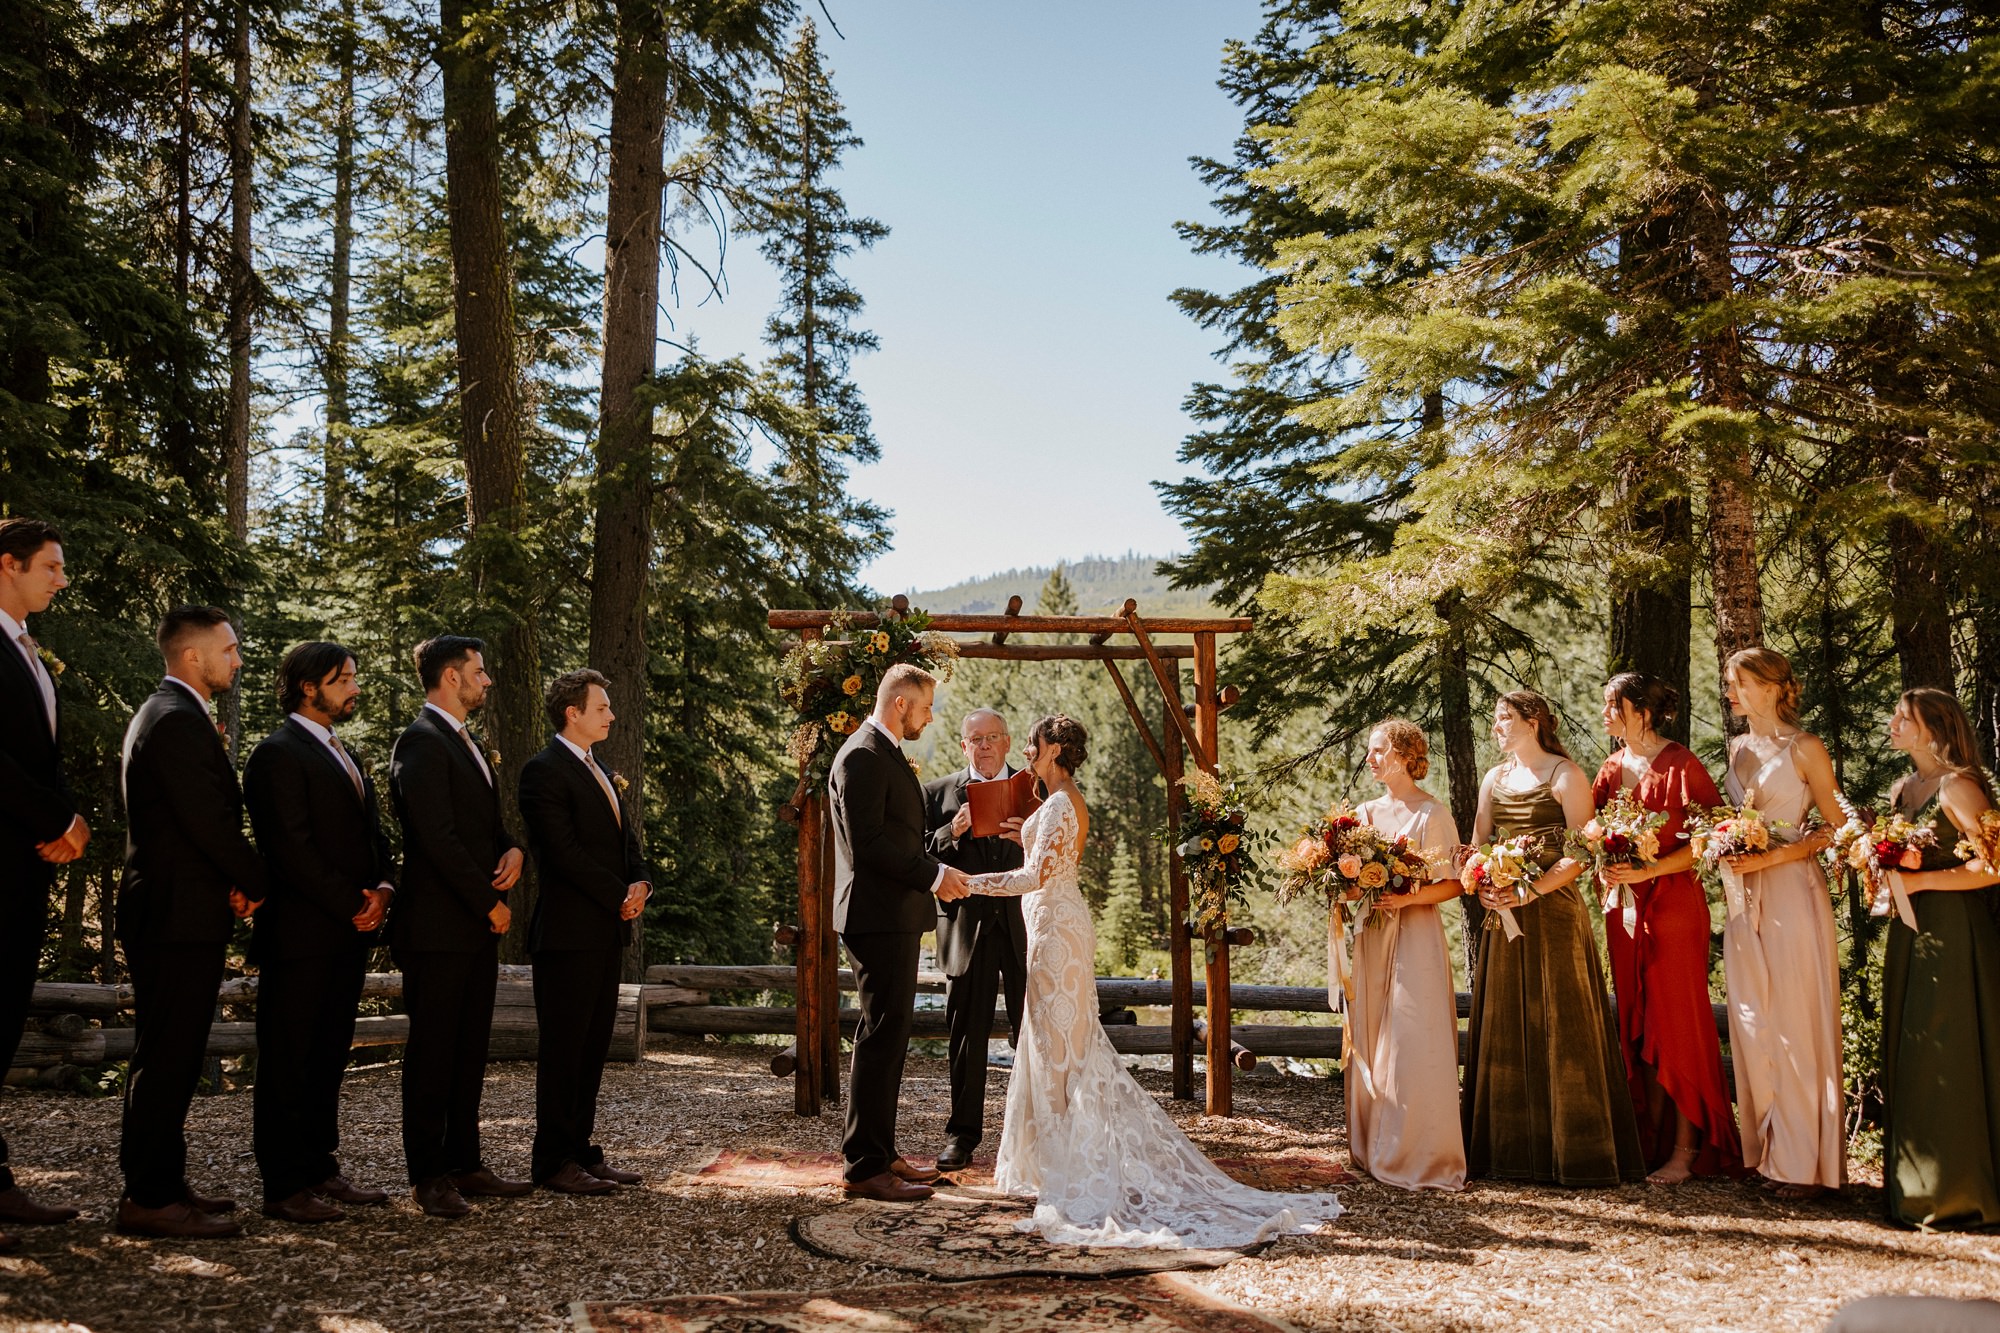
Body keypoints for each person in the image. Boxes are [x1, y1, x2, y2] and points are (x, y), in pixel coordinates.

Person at [965, 715, 1344, 1246]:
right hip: (1051, 925)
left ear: (1053, 750)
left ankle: (1068, 1164)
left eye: (1033, 742)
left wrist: (968, 883)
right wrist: (1021, 834)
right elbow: (1045, 857)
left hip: (1056, 931)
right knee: (1054, 1042)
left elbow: (1035, 877)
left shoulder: (1057, 803)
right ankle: (1053, 1159)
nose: (1027, 749)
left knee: (1062, 1046)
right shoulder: (1056, 802)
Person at [115, 606, 269, 1238]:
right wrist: (259, 881)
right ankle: (148, 1198)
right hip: (172, 912)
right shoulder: (175, 720)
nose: (237, 660)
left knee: (174, 1052)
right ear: (191, 656)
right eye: (228, 650)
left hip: (184, 905)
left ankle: (166, 1182)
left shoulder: (176, 714)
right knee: (167, 1054)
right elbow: (207, 822)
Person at [1461, 690, 1644, 1187]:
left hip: (1555, 916)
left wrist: (1530, 891)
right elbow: (1478, 846)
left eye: (1506, 718)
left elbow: (1584, 853)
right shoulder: (1493, 779)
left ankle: (1576, 1151)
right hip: (1504, 918)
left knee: (1563, 1023)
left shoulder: (1566, 775)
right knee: (1505, 1020)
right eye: (1496, 718)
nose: (1498, 726)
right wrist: (1484, 886)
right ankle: (1508, 1152)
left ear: (1534, 720)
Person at [243, 642, 396, 1223]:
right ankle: (283, 1185)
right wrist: (349, 902)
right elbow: (289, 849)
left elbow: (372, 838)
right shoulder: (276, 754)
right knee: (289, 1057)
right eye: (344, 679)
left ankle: (319, 1167)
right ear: (309, 686)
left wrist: (383, 889)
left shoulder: (346, 753)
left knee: (329, 1053)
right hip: (301, 934)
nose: (354, 688)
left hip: (349, 932)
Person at [387, 635, 530, 1218]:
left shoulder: (466, 742)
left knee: (470, 1048)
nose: (487, 680)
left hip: (472, 928)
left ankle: (465, 1162)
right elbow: (436, 838)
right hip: (438, 926)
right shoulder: (419, 742)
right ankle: (428, 1175)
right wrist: (485, 903)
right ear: (450, 677)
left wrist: (514, 849)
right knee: (433, 1052)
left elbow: (482, 826)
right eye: (479, 670)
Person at [1590, 674, 1743, 1184]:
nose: (1606, 714)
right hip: (1624, 910)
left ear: (1643, 712)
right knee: (1636, 1014)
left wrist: (1651, 870)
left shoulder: (1681, 764)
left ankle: (1687, 1148)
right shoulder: (1610, 768)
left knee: (1677, 1022)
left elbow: (1714, 835)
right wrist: (1605, 868)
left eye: (1614, 705)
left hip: (1674, 907)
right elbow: (1592, 834)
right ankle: (1650, 1140)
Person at [828, 664, 972, 1203]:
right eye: (926, 707)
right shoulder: (863, 756)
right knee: (880, 1034)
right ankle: (864, 1166)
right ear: (900, 705)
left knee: (890, 1036)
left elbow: (901, 841)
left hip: (893, 915)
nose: (930, 718)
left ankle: (881, 1152)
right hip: (876, 916)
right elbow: (868, 846)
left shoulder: (881, 752)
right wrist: (935, 876)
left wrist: (939, 854)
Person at [1718, 647, 1846, 1200]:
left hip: (1792, 891)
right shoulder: (1738, 747)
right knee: (1754, 1020)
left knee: (1795, 1016)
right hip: (1744, 899)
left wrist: (1772, 858)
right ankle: (1770, 1150)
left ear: (1771, 687)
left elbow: (1837, 828)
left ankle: (1805, 1162)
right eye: (1729, 684)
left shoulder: (1806, 747)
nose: (1732, 693)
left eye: (1740, 682)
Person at [516, 670, 650, 1196]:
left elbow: (626, 840)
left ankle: (580, 1149)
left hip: (605, 931)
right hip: (568, 933)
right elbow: (562, 853)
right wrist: (617, 892)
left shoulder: (603, 769)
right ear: (572, 713)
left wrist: (640, 880)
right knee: (564, 1050)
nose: (611, 716)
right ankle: (551, 1160)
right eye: (602, 707)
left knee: (592, 1047)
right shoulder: (542, 772)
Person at [1877, 687, 2000, 1229]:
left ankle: (1956, 1191)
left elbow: (1994, 867)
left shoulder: (1959, 786)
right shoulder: (1907, 788)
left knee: (1950, 1048)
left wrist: (1919, 880)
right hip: (1911, 930)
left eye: (1904, 719)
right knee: (1916, 1047)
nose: (1893, 725)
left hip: (1953, 931)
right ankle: (1914, 1183)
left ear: (1931, 729)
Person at [0, 518, 85, 1247]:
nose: (62, 578)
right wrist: (59, 819)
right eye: (51, 567)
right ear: (8, 565)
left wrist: (62, 823)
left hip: (22, 868)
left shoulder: (31, 655)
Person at [1341, 720, 1465, 1191]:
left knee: (1413, 1039)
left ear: (1402, 754)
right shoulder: (1365, 813)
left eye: (1377, 750)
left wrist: (1407, 898)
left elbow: (1454, 883)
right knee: (1372, 1035)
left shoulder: (1432, 814)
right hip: (1372, 935)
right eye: (1370, 751)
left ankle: (1420, 1152)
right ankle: (1371, 1143)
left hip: (1415, 934)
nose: (1370, 759)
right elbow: (1354, 884)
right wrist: (1346, 884)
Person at [922, 707, 1029, 1172]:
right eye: (975, 739)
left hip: (1022, 927)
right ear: (962, 746)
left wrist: (1027, 837)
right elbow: (918, 854)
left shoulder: (1032, 790)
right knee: (967, 1036)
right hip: (965, 929)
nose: (984, 746)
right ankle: (962, 1136)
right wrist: (952, 831)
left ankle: (1037, 1134)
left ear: (1006, 743)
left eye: (992, 738)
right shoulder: (937, 793)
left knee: (1034, 1032)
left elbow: (1059, 848)